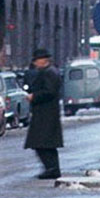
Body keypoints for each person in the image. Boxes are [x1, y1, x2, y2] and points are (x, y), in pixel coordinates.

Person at [24, 48, 64, 180]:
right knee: (45, 144)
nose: (35, 63)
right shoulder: (49, 71)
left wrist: (33, 96)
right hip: (45, 113)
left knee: (42, 143)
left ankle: (52, 169)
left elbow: (49, 91)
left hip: (46, 114)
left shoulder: (49, 73)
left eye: (37, 60)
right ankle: (52, 168)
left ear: (43, 60)